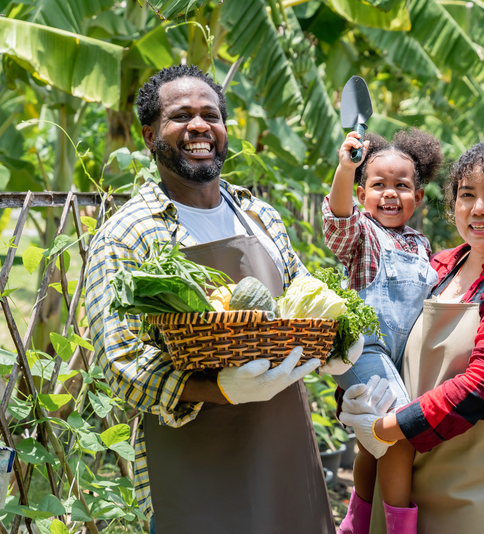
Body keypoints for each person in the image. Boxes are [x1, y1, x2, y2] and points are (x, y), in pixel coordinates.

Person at [85, 65, 353, 534]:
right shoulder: (126, 234)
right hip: (196, 464)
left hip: (284, 448)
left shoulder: (259, 215)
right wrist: (223, 390)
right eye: (180, 115)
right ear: (150, 136)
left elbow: (302, 294)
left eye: (211, 114)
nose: (199, 126)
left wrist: (340, 339)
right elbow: (119, 360)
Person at [339, 139, 484, 534]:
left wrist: (385, 428)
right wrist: (358, 398)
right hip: (403, 486)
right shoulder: (435, 267)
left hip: (474, 486)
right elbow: (392, 342)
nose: (478, 208)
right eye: (467, 195)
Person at [323, 128, 443, 534]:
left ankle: (357, 522)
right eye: (378, 185)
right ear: (362, 196)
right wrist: (346, 168)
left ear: (419, 197)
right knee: (399, 431)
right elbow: (338, 217)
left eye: (402, 186)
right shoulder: (362, 235)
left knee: (371, 441)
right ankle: (398, 530)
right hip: (364, 348)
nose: (390, 194)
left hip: (402, 354)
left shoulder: (420, 244)